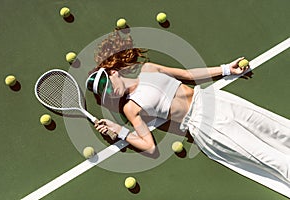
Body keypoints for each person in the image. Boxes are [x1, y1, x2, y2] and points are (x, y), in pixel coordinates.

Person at [86, 30, 290, 194]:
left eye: (108, 86)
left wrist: (226, 69)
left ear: (113, 72)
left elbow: (187, 75)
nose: (111, 93)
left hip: (214, 100)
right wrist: (119, 130)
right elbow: (149, 147)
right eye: (106, 94)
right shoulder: (130, 108)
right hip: (204, 125)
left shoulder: (147, 68)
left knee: (279, 130)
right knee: (266, 157)